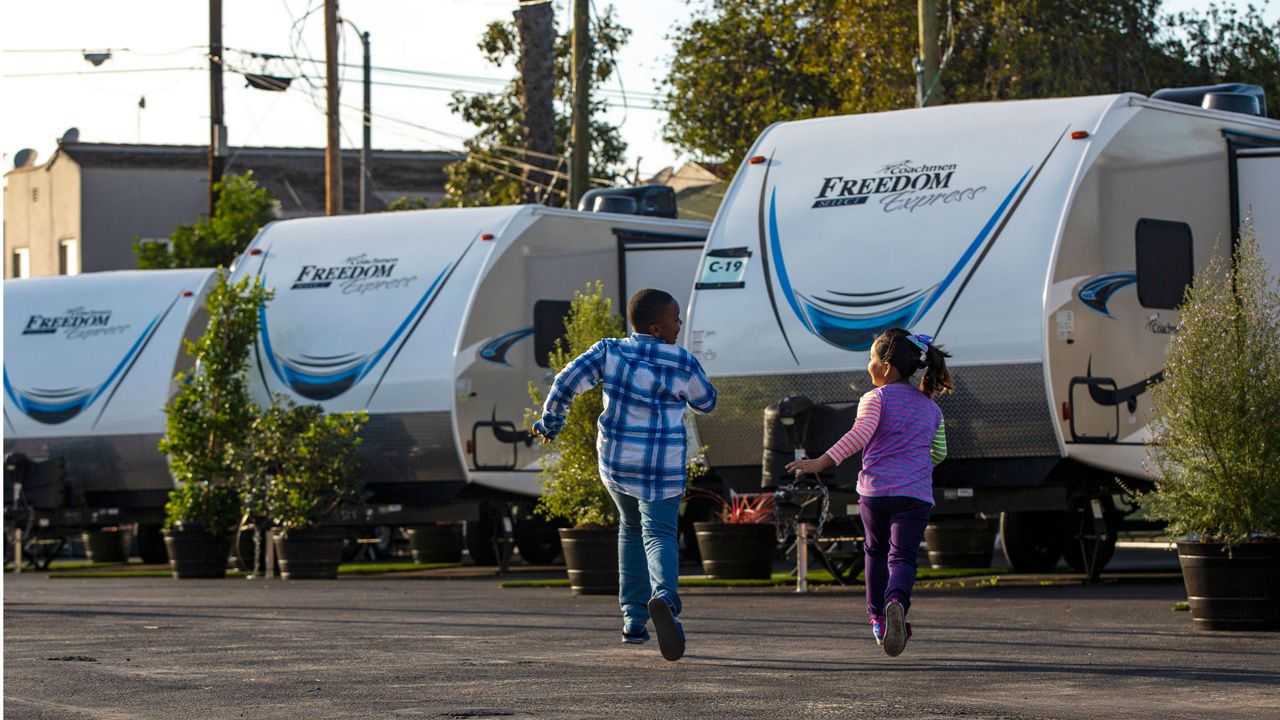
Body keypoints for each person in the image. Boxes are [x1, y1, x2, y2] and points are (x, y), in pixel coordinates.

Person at [531, 288, 716, 662]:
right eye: (675, 318)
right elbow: (707, 402)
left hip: (617, 462)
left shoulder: (610, 351)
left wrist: (551, 421)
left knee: (630, 529)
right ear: (657, 326)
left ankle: (633, 621)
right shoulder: (682, 361)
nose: (680, 324)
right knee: (660, 533)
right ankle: (664, 598)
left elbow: (566, 380)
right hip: (661, 465)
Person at [786, 328, 951, 657]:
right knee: (903, 557)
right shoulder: (932, 409)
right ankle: (896, 601)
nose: (868, 364)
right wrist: (918, 462)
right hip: (915, 494)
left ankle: (877, 617)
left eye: (871, 358)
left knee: (875, 552)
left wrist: (821, 461)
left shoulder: (875, 398)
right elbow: (940, 452)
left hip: (875, 493)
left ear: (886, 368)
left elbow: (860, 435)